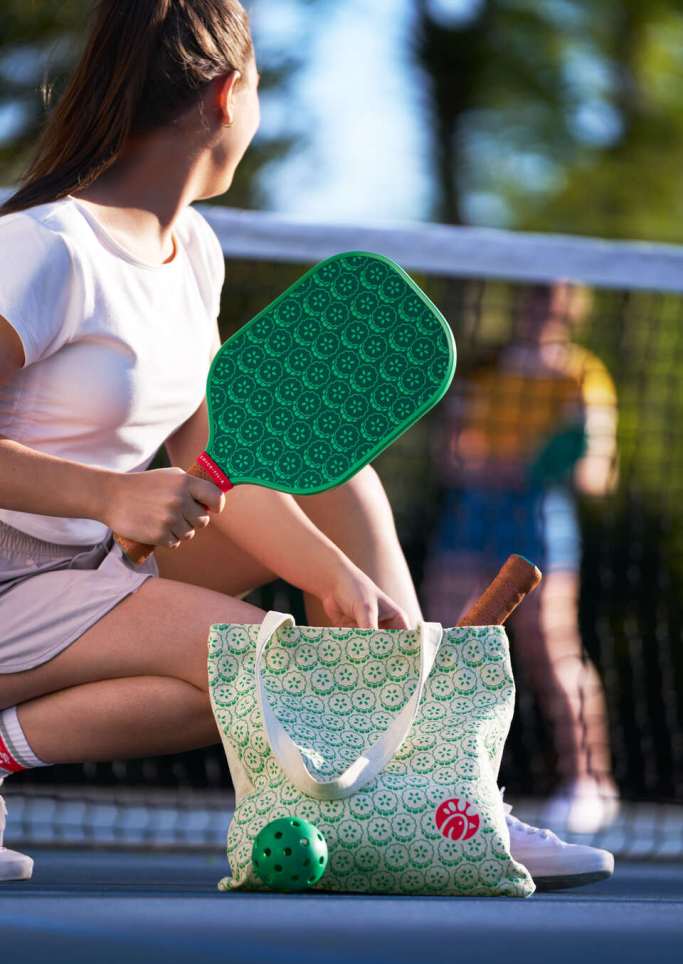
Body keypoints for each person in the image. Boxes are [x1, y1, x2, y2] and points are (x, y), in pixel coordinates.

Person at [0, 0, 611, 889]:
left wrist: (331, 575)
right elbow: (129, 493)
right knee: (274, 675)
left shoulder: (191, 252)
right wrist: (106, 496)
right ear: (226, 91)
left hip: (83, 568)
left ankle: (443, 789)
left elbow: (220, 457)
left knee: (342, 486)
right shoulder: (42, 247)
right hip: (14, 582)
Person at [423, 281, 620, 832]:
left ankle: (590, 782)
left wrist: (549, 465)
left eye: (554, 300)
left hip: (540, 516)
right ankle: (443, 778)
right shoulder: (483, 369)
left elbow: (597, 473)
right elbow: (451, 457)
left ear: (571, 309)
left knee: (551, 647)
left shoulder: (583, 377)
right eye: (535, 297)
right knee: (444, 639)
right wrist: (491, 468)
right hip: (474, 512)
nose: (543, 309)